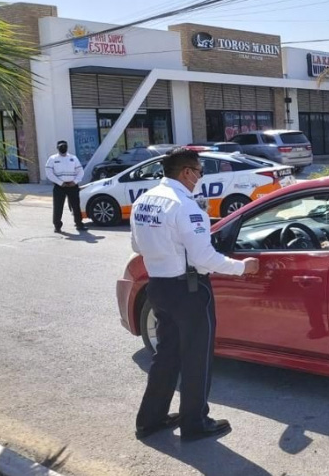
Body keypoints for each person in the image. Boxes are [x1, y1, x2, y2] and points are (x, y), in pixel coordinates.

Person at [131, 147, 259, 442]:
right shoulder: (185, 205)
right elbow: (204, 258)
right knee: (196, 357)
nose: (200, 178)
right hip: (189, 290)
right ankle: (195, 422)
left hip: (159, 286)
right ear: (187, 172)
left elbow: (138, 246)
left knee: (166, 355)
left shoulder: (143, 201)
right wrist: (243, 267)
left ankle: (150, 419)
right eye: (199, 172)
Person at [45, 140, 86, 233]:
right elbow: (49, 173)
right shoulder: (52, 159)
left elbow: (80, 171)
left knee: (76, 206)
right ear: (57, 148)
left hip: (72, 186)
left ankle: (79, 224)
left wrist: (75, 181)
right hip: (60, 187)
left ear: (67, 147)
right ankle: (57, 226)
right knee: (58, 206)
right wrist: (60, 182)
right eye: (61, 146)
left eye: (64, 146)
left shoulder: (73, 158)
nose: (63, 148)